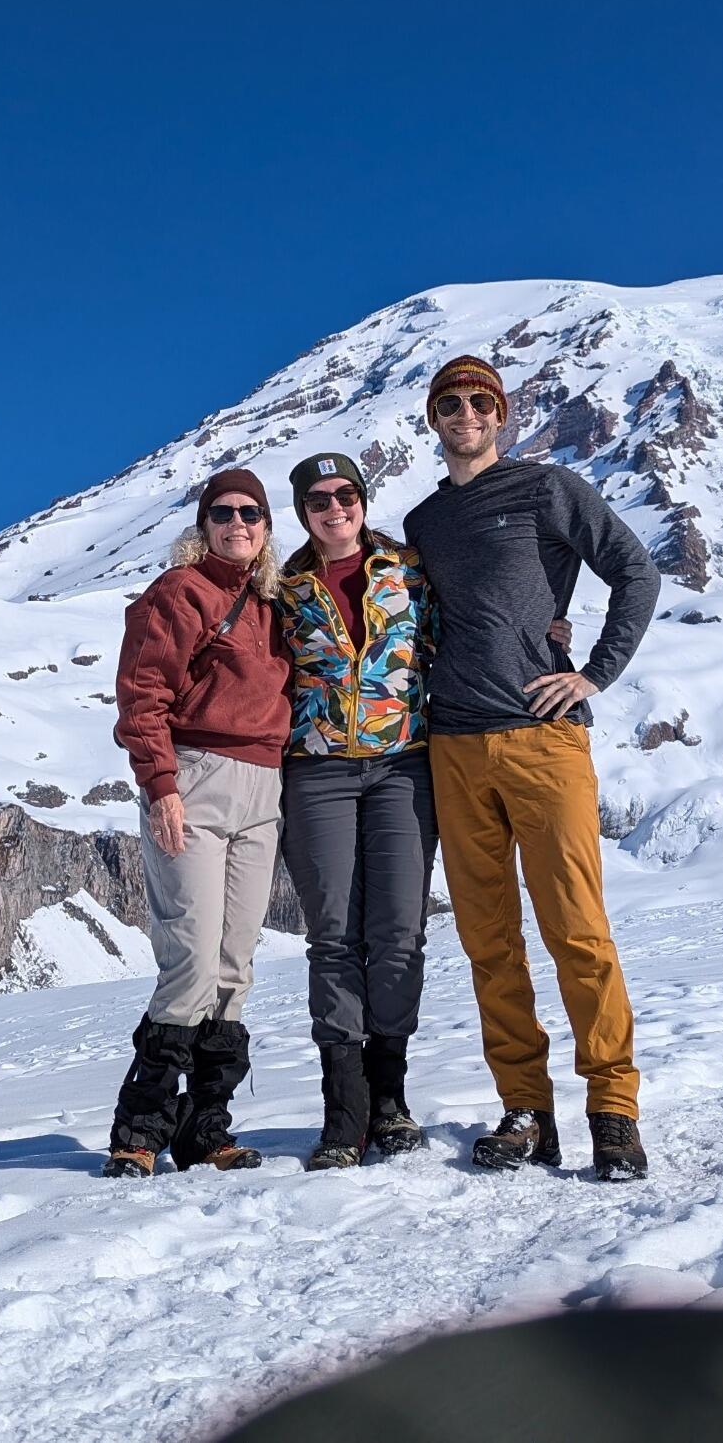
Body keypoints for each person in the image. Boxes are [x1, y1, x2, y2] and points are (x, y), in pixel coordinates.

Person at [402, 354, 662, 1182]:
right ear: (434, 418)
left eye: (481, 402)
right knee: (489, 941)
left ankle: (613, 1109)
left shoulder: (548, 489)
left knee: (576, 930)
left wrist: (593, 673)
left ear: (502, 414)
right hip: (454, 746)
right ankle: (526, 1111)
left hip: (544, 740)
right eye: (451, 403)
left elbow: (637, 571)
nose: (467, 415)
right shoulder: (422, 523)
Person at [103, 467, 290, 1178]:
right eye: (223, 512)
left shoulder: (273, 603)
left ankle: (205, 1131)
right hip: (197, 781)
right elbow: (143, 694)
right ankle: (139, 1131)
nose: (238, 524)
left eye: (251, 513)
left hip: (263, 788)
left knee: (234, 967)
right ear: (203, 524)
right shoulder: (181, 593)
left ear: (266, 527)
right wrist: (162, 787)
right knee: (190, 961)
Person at [275, 451, 437, 1169]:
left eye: (345, 494)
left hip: (404, 766)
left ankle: (389, 1100)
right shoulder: (285, 589)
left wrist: (550, 632)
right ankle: (344, 1114)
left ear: (363, 500)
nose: (334, 507)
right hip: (317, 771)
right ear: (303, 513)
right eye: (318, 500)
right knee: (334, 937)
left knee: (398, 932)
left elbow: (459, 634)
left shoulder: (408, 572)